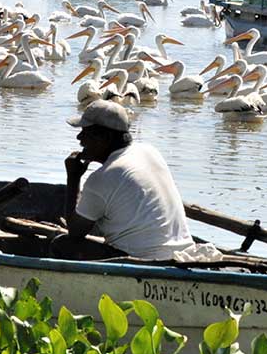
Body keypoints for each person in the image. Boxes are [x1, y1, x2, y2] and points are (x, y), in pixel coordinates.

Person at [52, 100, 193, 260]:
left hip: (144, 261)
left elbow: (75, 232)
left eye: (86, 132)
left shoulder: (102, 178)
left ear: (105, 137)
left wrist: (73, 177)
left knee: (63, 245)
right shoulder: (150, 151)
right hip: (183, 253)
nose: (80, 138)